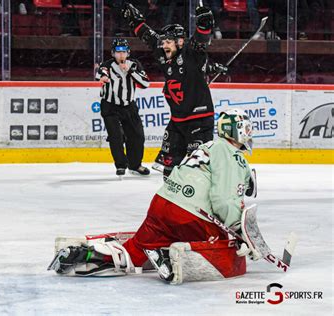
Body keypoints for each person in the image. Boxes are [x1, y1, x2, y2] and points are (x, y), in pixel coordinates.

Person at [49, 109, 259, 283]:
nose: (249, 133)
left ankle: (89, 253)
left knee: (135, 251)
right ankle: (171, 255)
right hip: (191, 216)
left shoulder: (206, 145)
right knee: (231, 257)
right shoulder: (234, 157)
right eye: (247, 129)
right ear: (237, 131)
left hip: (162, 205)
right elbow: (223, 200)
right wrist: (239, 233)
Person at [120, 4, 227, 177]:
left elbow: (201, 39)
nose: (164, 45)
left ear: (180, 41)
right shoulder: (164, 54)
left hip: (199, 120)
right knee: (169, 169)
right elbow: (149, 37)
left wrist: (205, 23)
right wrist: (136, 22)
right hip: (177, 121)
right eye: (163, 42)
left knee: (198, 167)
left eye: (168, 41)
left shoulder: (191, 52)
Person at [95, 38, 151, 177]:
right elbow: (101, 73)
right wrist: (103, 77)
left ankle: (135, 165)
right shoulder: (107, 65)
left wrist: (130, 72)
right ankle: (120, 165)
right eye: (118, 52)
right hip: (110, 106)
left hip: (129, 106)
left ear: (128, 53)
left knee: (137, 136)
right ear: (113, 53)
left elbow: (145, 83)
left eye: (124, 52)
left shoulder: (135, 65)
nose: (121, 55)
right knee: (116, 136)